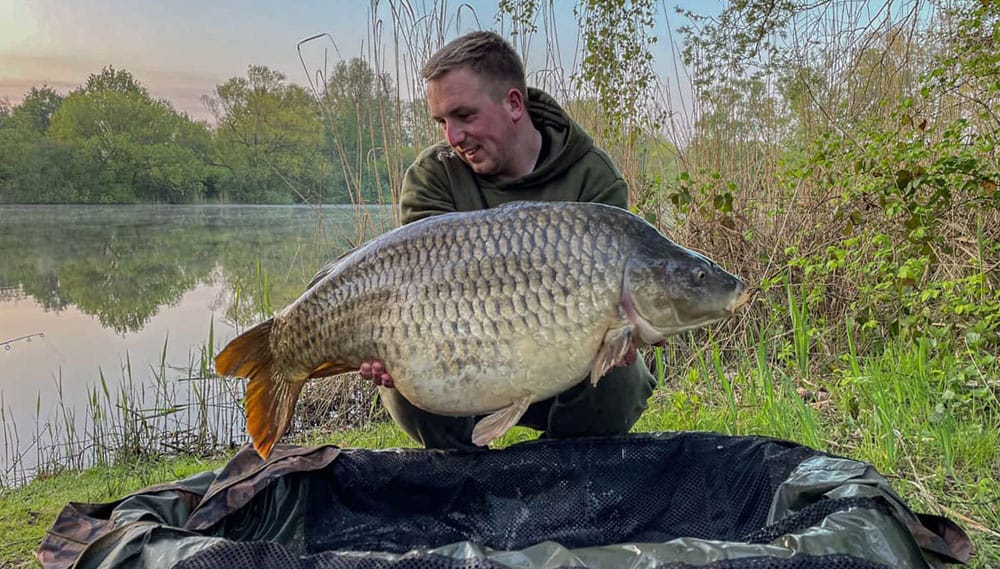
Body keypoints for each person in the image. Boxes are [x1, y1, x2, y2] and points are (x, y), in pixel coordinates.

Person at [359, 30, 657, 449]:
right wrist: (393, 346)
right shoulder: (433, 177)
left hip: (565, 370)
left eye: (464, 116)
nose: (452, 137)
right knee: (402, 384)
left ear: (514, 104)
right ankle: (464, 479)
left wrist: (625, 335)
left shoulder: (592, 176)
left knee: (621, 379)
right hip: (464, 364)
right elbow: (415, 292)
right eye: (442, 122)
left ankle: (563, 471)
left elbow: (627, 296)